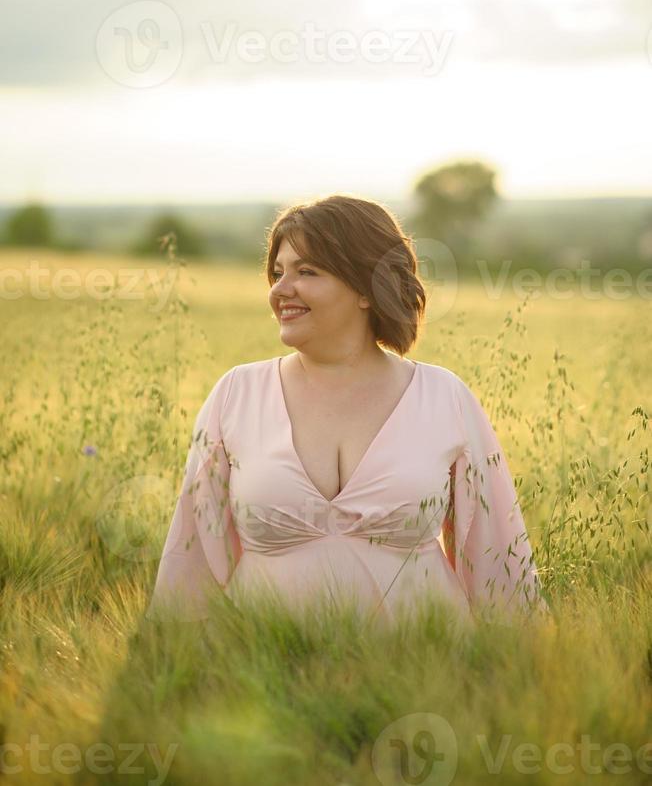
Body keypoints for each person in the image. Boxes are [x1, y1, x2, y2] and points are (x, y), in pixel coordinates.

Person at [146, 194, 549, 628]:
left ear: (365, 289)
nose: (280, 290)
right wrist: (170, 665)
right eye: (278, 273)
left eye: (307, 272)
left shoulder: (444, 397)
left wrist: (521, 669)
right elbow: (190, 560)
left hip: (425, 674)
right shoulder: (235, 394)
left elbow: (497, 558)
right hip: (261, 677)